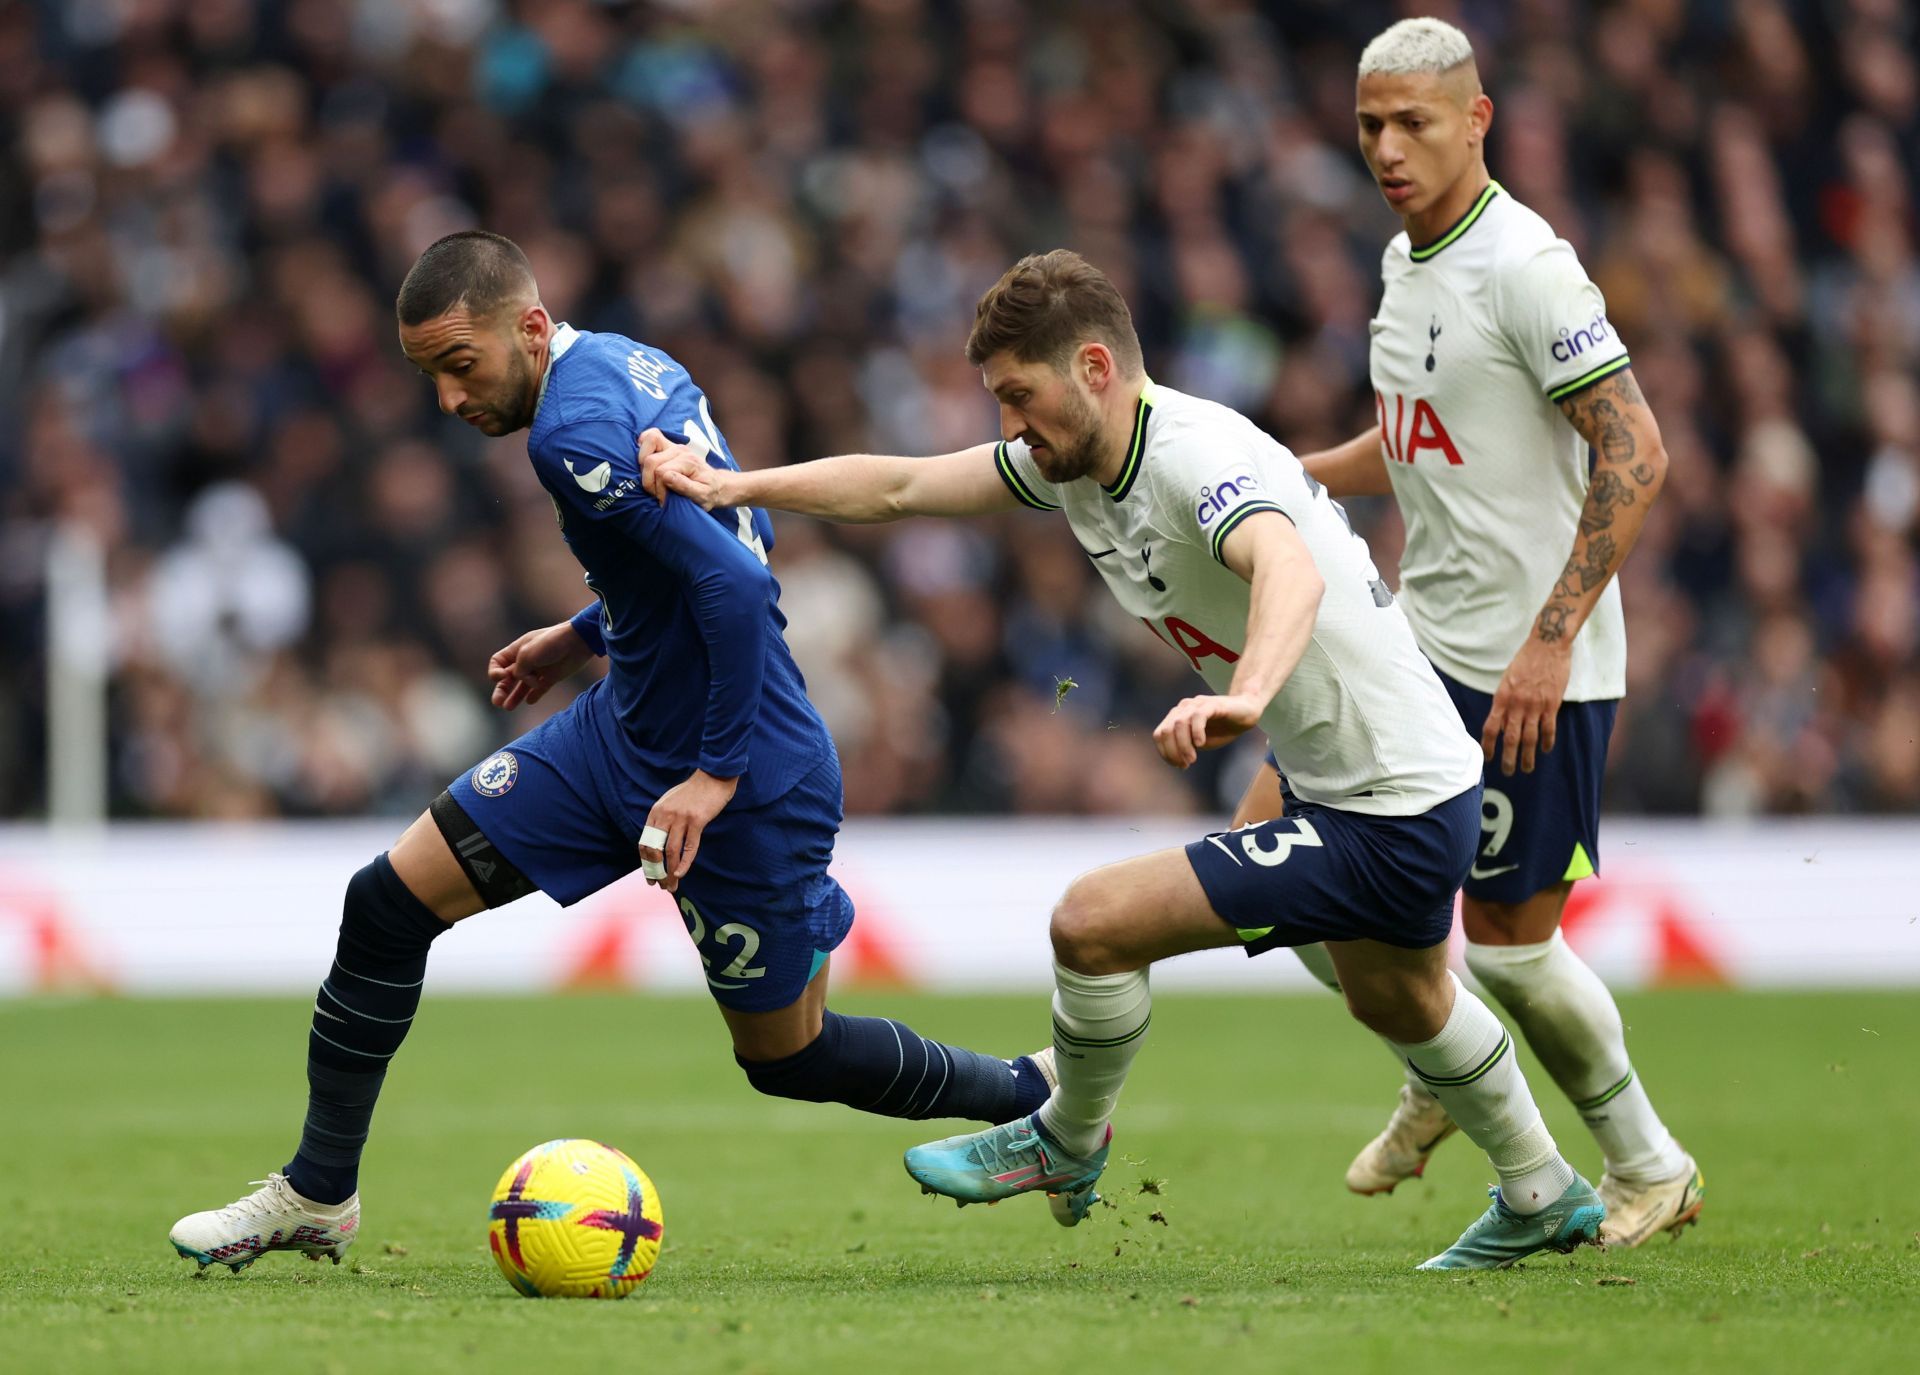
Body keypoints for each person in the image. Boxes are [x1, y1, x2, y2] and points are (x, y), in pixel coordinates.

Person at [640, 248, 1604, 1270]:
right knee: (1398, 998)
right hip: (1386, 785)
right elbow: (903, 486)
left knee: (1093, 924)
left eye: (1020, 395)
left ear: (1094, 366)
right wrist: (735, 484)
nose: (1010, 424)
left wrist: (1247, 695)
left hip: (1392, 806)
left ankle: (1064, 1137)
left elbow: (1285, 566)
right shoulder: (1082, 464)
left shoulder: (1191, 452)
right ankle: (1543, 1188)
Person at [168, 231, 1053, 1274]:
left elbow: (738, 585)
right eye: (428, 376)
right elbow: (703, 545)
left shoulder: (569, 430)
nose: (450, 400)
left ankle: (1036, 1096)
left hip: (746, 769)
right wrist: (584, 632)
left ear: (531, 329)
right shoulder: (632, 364)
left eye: (462, 365)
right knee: (387, 903)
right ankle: (318, 1192)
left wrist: (713, 774)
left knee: (789, 1057)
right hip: (621, 730)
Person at [1251, 17, 1699, 1250]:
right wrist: (1280, 476)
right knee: (1270, 871)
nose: (1388, 149)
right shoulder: (1407, 267)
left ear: (1478, 118)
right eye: (1369, 127)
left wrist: (1553, 639)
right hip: (1418, 647)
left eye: (1414, 124)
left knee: (1506, 949)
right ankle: (1446, 1060)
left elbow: (1638, 452)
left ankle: (1649, 1164)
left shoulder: (1527, 267)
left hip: (1527, 670)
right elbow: (1410, 447)